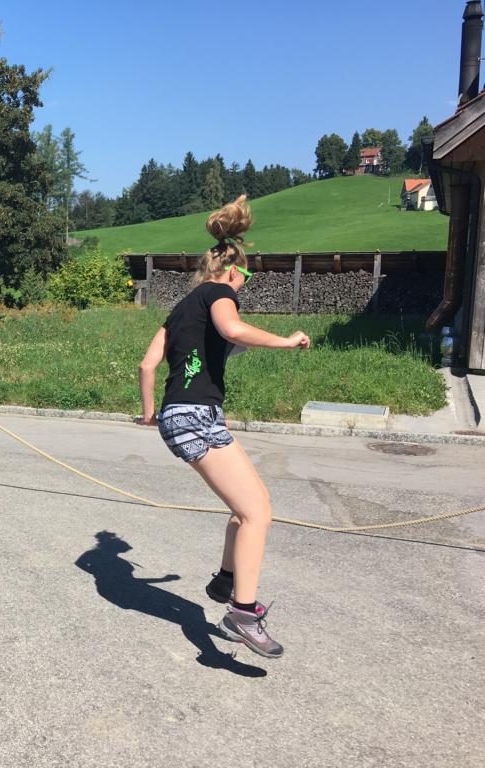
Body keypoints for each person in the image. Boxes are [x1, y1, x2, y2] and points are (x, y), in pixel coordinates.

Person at [135, 195, 310, 659]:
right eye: (246, 278)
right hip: (195, 414)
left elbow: (148, 365)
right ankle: (243, 613)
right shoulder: (219, 294)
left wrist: (151, 413)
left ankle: (226, 580)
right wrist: (287, 340)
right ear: (233, 271)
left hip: (187, 414)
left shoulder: (179, 308)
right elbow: (232, 330)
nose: (244, 285)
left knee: (251, 505)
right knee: (257, 514)